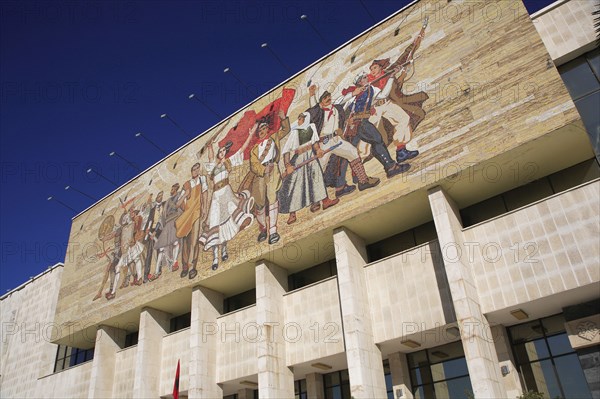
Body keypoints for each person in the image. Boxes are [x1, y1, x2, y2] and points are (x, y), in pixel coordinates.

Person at [306, 87, 380, 199]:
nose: (328, 99)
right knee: (319, 168)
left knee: (353, 152)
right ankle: (314, 197)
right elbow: (313, 108)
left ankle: (363, 181)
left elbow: (344, 99)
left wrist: (354, 93)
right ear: (321, 101)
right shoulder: (318, 112)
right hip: (324, 142)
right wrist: (312, 95)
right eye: (325, 98)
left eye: (328, 97)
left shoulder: (335, 108)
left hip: (336, 140)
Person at [335, 72, 411, 179]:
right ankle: (390, 168)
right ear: (360, 81)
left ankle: (363, 175)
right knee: (375, 142)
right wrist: (352, 94)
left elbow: (384, 95)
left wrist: (391, 78)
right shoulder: (354, 92)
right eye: (365, 77)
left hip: (363, 121)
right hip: (356, 123)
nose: (367, 78)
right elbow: (338, 103)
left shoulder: (372, 89)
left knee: (371, 144)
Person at [199, 128, 254, 270]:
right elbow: (210, 158)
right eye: (220, 151)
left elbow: (242, 150)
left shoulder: (228, 163)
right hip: (216, 196)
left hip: (227, 193)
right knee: (216, 223)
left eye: (224, 151)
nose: (222, 152)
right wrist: (210, 145)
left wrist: (250, 134)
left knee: (227, 219)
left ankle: (224, 249)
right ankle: (215, 258)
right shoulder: (213, 166)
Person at [278, 112, 338, 224]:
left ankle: (325, 201)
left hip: (311, 156)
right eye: (299, 118)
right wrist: (288, 165)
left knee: (317, 178)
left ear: (306, 119)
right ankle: (292, 214)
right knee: (295, 184)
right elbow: (286, 151)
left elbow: (315, 143)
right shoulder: (295, 132)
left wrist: (319, 150)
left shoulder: (312, 127)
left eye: (301, 118)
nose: (299, 119)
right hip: (299, 159)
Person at [240, 110, 289, 244]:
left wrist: (283, 118)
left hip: (272, 170)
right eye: (260, 129)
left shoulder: (274, 137)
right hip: (260, 175)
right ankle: (263, 229)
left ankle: (273, 231)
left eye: (263, 127)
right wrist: (263, 169)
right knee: (259, 203)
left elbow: (286, 129)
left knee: (272, 198)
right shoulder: (254, 149)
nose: (261, 130)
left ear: (267, 128)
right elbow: (253, 165)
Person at [175, 163, 209, 279]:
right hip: (187, 215)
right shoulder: (187, 184)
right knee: (185, 241)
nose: (195, 171)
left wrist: (204, 208)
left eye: (197, 169)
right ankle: (185, 266)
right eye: (193, 169)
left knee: (194, 241)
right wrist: (185, 195)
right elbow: (178, 204)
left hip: (197, 212)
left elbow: (204, 194)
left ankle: (193, 266)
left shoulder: (202, 180)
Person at [154, 183, 183, 278]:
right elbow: (162, 215)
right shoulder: (168, 201)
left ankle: (175, 262)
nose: (170, 190)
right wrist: (157, 229)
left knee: (175, 242)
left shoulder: (179, 196)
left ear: (175, 189)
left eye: (172, 189)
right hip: (167, 223)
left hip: (175, 220)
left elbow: (181, 206)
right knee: (161, 247)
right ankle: (157, 270)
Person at [141, 191, 163, 283]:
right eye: (158, 196)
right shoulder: (153, 209)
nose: (159, 197)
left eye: (161, 196)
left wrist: (155, 231)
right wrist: (147, 230)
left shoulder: (163, 206)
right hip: (151, 231)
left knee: (159, 251)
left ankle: (158, 270)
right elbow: (149, 220)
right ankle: (146, 275)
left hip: (160, 231)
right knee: (149, 252)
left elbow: (161, 219)